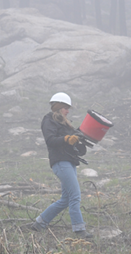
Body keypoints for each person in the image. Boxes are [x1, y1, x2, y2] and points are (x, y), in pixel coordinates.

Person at [31, 92, 93, 239]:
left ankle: (40, 223)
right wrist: (67, 139)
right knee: (75, 195)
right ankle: (79, 230)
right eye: (66, 108)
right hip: (60, 162)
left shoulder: (64, 123)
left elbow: (71, 139)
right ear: (59, 107)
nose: (68, 111)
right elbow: (50, 140)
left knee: (66, 199)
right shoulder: (48, 120)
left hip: (69, 162)